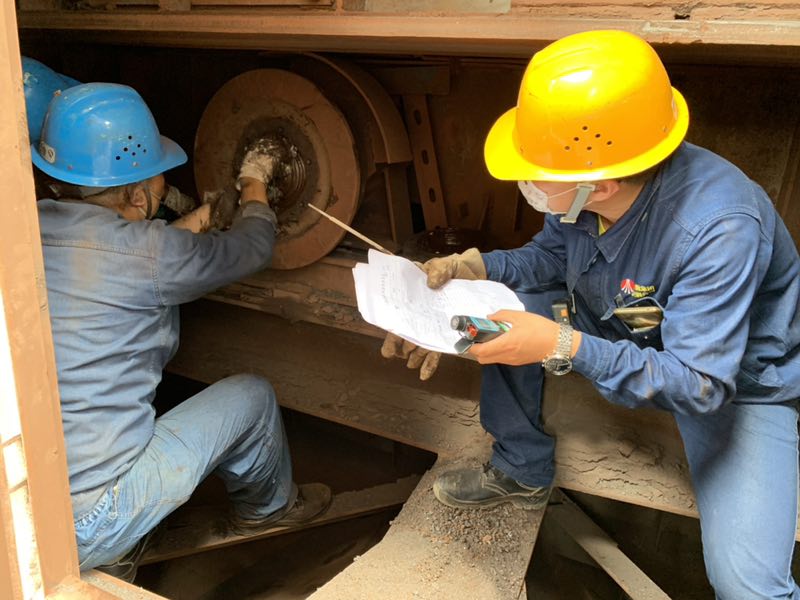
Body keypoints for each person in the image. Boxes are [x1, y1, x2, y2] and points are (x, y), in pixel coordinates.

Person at [382, 30, 800, 599]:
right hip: (627, 318)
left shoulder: (718, 228)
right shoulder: (591, 190)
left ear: (597, 184)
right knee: (503, 315)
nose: (527, 181)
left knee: (747, 585)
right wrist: (470, 276)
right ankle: (522, 469)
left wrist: (561, 345)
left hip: (728, 376)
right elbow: (551, 257)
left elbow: (701, 383)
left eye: (535, 173)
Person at [32, 82, 331, 581]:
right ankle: (268, 510)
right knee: (253, 397)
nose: (160, 184)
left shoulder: (27, 226)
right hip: (90, 520)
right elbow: (253, 248)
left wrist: (200, 218)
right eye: (154, 178)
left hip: (25, 510)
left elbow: (118, 252)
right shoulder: (151, 254)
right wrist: (255, 185)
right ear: (133, 193)